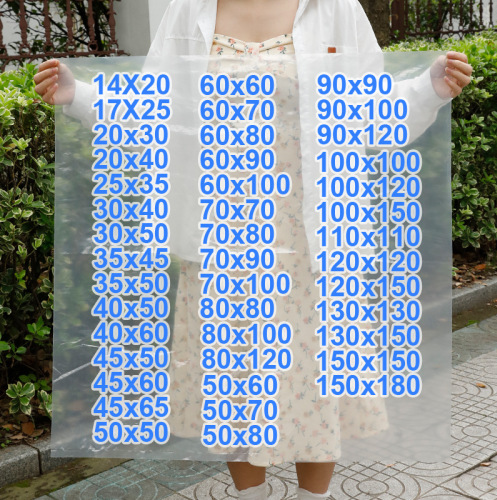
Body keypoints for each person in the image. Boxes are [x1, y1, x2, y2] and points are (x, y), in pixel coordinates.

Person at [34, 1, 473, 499]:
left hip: (310, 238)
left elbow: (370, 112)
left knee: (313, 374)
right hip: (221, 238)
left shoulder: (334, 8)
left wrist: (428, 89)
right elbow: (157, 111)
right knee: (234, 379)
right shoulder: (188, 11)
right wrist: (79, 96)